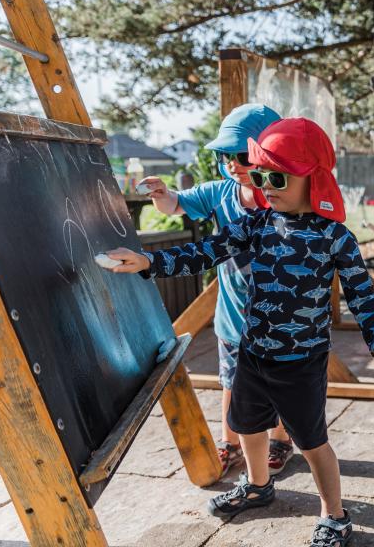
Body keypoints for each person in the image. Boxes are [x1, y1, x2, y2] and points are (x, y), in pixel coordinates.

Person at [106, 118, 374, 545]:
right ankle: (259, 485)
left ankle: (334, 515)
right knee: (245, 424)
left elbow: (361, 293)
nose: (266, 186)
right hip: (254, 353)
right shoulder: (256, 224)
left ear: (312, 178)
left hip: (302, 361)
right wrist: (151, 263)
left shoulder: (335, 237)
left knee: (313, 442)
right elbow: (205, 251)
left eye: (276, 176)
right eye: (260, 176)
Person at [139, 104, 293, 477]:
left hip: (279, 321)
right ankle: (231, 444)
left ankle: (281, 439)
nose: (233, 164)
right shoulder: (219, 193)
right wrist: (161, 193)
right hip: (233, 317)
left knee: (279, 385)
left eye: (243, 156)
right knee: (231, 382)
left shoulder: (283, 193)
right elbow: (177, 204)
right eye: (226, 156)